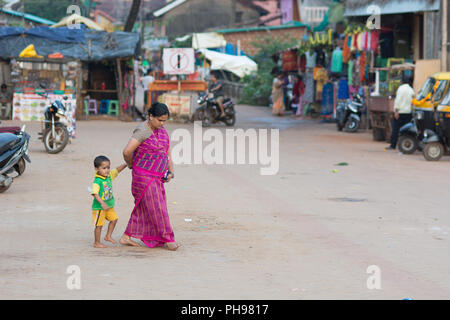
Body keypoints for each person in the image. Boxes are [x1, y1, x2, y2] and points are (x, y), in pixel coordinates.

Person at [121, 103, 180, 251]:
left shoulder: (161, 130)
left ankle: (126, 236)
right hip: (144, 177)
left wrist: (170, 171)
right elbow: (127, 152)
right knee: (158, 208)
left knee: (144, 208)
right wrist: (131, 165)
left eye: (164, 121)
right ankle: (168, 238)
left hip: (158, 176)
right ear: (150, 116)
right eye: (160, 120)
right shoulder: (142, 131)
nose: (162, 123)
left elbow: (166, 152)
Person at [91, 156, 127, 248]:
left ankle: (108, 236)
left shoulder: (109, 176)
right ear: (96, 169)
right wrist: (102, 203)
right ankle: (96, 242)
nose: (107, 170)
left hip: (109, 207)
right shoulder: (97, 181)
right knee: (99, 225)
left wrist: (127, 163)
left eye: (108, 167)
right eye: (104, 168)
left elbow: (117, 170)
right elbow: (95, 193)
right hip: (99, 208)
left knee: (114, 219)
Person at [387, 77, 414, 150]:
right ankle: (405, 145)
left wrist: (396, 111)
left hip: (400, 112)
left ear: (402, 82)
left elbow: (398, 100)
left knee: (396, 129)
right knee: (407, 129)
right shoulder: (411, 90)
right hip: (408, 112)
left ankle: (393, 145)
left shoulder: (400, 89)